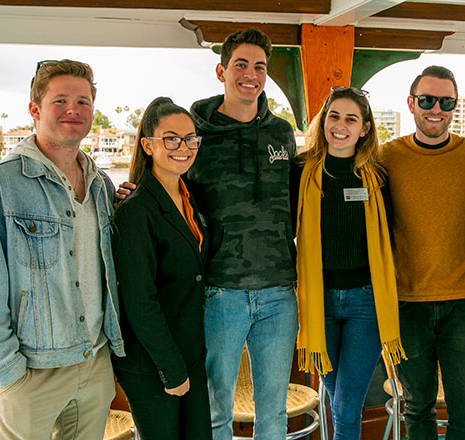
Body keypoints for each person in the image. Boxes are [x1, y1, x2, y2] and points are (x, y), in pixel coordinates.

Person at [115, 28, 298, 440]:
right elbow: (168, 188)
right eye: (240, 64)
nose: (250, 74)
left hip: (279, 294)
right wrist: (130, 190)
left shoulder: (282, 133)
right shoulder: (194, 132)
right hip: (219, 293)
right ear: (221, 71)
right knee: (214, 411)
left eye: (259, 67)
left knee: (274, 413)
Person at [0, 59, 124, 439]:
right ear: (35, 109)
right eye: (60, 100)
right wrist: (8, 372)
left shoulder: (102, 186)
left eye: (83, 101)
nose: (73, 110)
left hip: (94, 365)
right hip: (29, 374)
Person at [377, 65, 465, 440]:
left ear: (455, 106)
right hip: (406, 303)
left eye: (446, 101)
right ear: (411, 103)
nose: (436, 109)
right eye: (427, 100)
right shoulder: (385, 157)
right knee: (417, 406)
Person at [291, 86, 405, 440]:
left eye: (351, 119)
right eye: (333, 116)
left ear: (365, 128)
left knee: (345, 403)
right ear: (323, 121)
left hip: (366, 303)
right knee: (339, 399)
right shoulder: (299, 171)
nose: (340, 125)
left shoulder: (379, 177)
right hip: (317, 301)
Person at [111, 97, 211, 439]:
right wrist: (171, 370)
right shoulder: (136, 210)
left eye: (190, 138)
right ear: (148, 145)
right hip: (153, 363)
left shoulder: (188, 196)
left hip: (190, 353)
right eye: (171, 138)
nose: (183, 147)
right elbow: (140, 301)